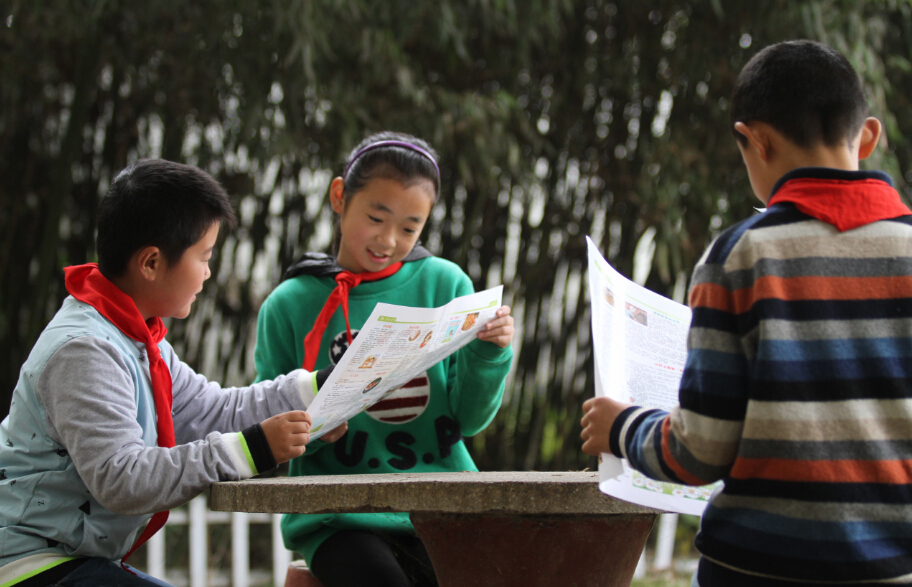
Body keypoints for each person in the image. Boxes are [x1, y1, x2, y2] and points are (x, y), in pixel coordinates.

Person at [580, 40, 912, 587]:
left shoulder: (740, 256)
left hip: (757, 569)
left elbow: (696, 453)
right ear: (869, 136)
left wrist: (622, 426)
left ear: (754, 141)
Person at [0, 159, 343, 587]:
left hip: (76, 559)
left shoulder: (140, 338)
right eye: (204, 256)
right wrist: (249, 449)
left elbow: (210, 410)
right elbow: (121, 478)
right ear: (151, 263)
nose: (208, 272)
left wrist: (319, 387)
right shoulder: (85, 350)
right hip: (28, 563)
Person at [254, 131, 515, 587]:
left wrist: (490, 352)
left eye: (410, 228)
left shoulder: (445, 285)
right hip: (337, 520)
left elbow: (470, 421)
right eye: (376, 217)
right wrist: (313, 428)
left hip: (443, 507)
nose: (389, 239)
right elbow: (269, 422)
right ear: (340, 197)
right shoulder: (289, 305)